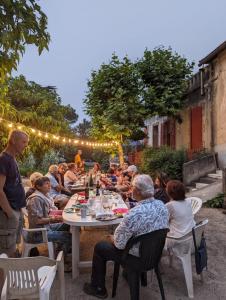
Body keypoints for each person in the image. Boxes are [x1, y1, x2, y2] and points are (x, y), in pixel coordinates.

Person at [83, 174, 169, 299]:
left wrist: (112, 238)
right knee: (131, 238)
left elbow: (119, 244)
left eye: (133, 187)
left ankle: (98, 288)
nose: (131, 189)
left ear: (138, 191)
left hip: (136, 258)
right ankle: (129, 274)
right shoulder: (162, 206)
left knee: (100, 247)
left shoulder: (133, 214)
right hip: (154, 255)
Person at [26, 176, 71, 260]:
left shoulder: (43, 196)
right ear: (39, 186)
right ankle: (61, 261)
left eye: (49, 183)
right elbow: (36, 221)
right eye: (46, 183)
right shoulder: (35, 199)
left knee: (67, 225)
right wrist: (53, 219)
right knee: (67, 236)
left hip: (46, 228)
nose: (49, 185)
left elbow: (43, 216)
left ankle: (59, 251)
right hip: (38, 233)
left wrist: (54, 217)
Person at [0, 130, 29, 257]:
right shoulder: (3, 159)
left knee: (13, 251)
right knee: (5, 256)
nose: (26, 145)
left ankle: (11, 277)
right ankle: (4, 278)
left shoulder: (12, 159)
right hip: (7, 214)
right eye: (23, 142)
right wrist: (10, 213)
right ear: (13, 140)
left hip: (16, 210)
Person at [165, 180, 195, 248]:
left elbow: (163, 223)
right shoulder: (188, 201)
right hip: (191, 237)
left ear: (170, 192)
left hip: (177, 240)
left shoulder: (170, 205)